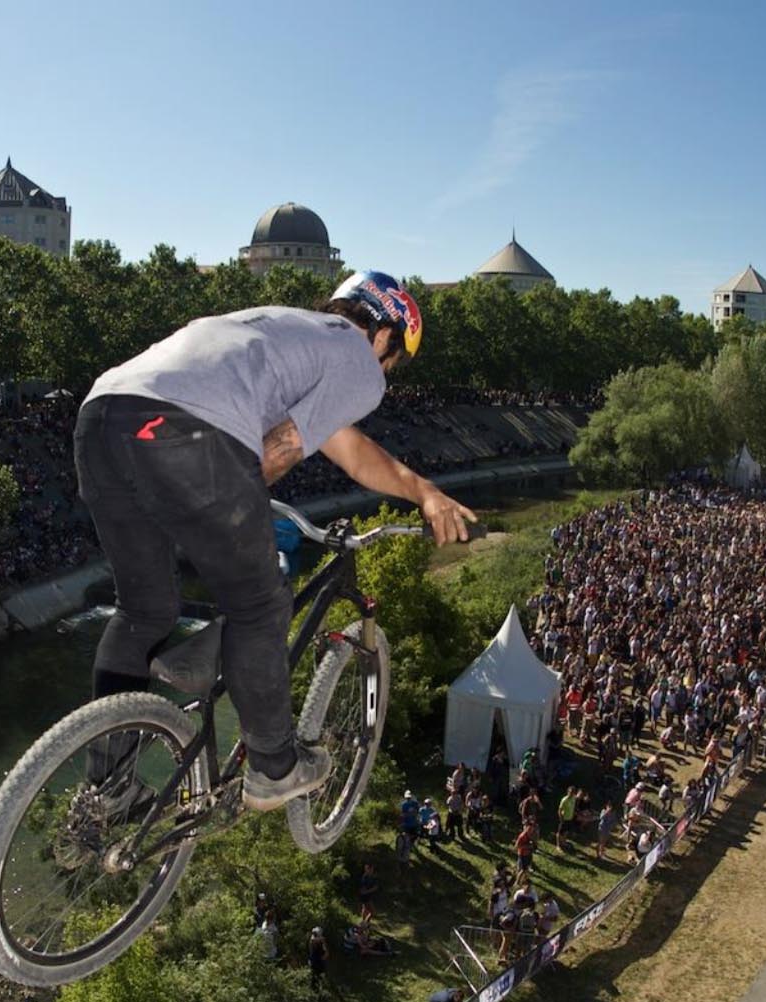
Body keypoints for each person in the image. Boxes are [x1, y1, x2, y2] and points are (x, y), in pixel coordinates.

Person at [75, 271, 474, 812]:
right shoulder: (358, 360)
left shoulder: (289, 333)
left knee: (144, 612)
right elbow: (280, 448)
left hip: (102, 417)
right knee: (262, 602)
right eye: (393, 361)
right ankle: (274, 769)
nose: (386, 374)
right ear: (384, 334)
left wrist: (421, 490)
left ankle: (108, 789)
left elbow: (350, 450)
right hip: (182, 431)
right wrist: (229, 502)